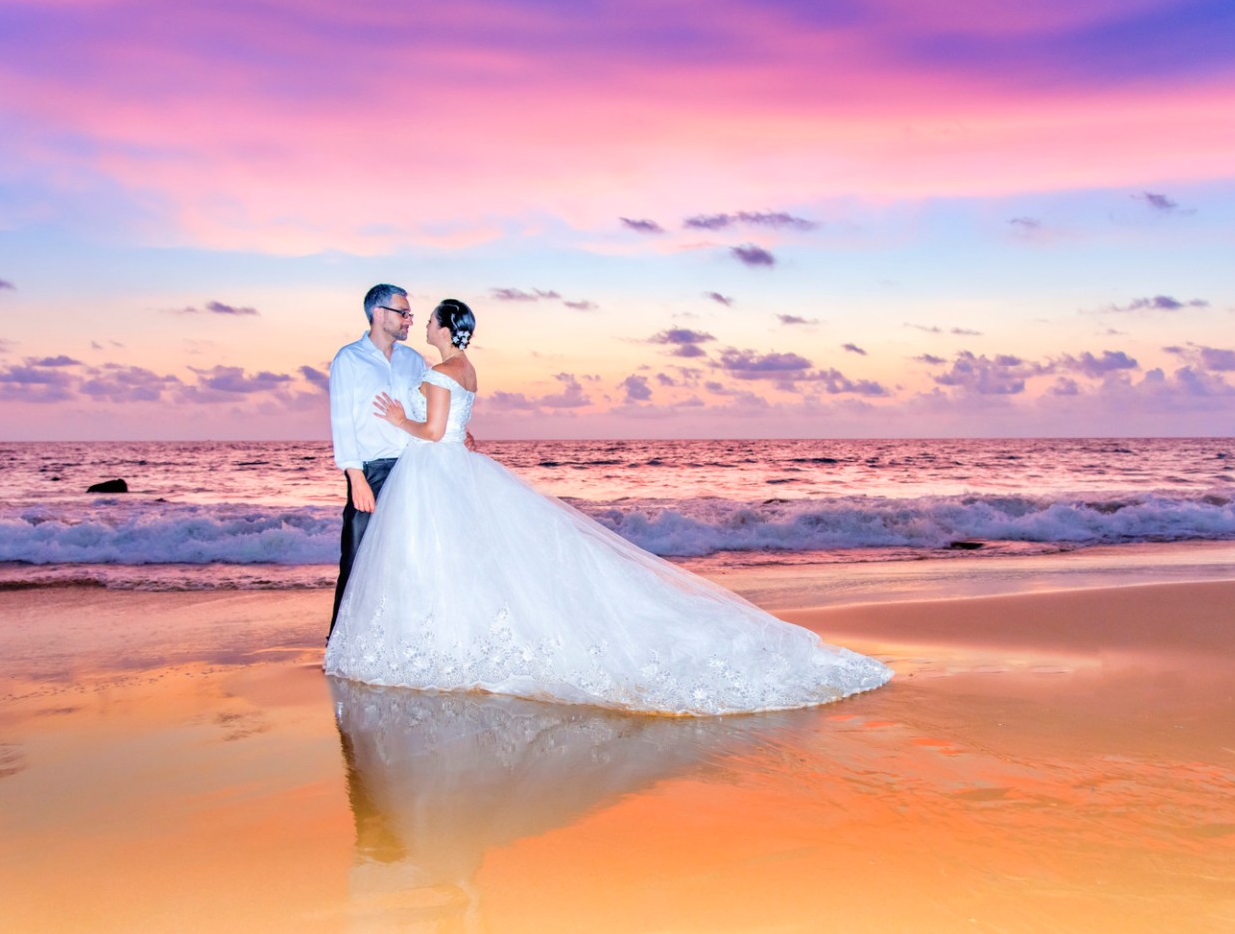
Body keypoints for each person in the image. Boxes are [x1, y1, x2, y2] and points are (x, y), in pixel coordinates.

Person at [323, 299, 892, 715]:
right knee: (462, 560)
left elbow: (436, 427)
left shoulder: (437, 369)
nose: (418, 322)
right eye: (407, 314)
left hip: (432, 467)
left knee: (442, 558)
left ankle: (424, 642)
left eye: (426, 319)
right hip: (443, 468)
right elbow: (457, 423)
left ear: (446, 329)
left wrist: (404, 422)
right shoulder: (456, 369)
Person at [327, 283, 426, 637]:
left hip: (414, 469)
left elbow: (424, 413)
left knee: (407, 560)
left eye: (410, 314)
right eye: (403, 312)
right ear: (378, 313)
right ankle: (338, 642)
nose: (409, 320)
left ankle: (398, 639)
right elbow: (342, 421)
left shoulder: (414, 360)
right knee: (356, 560)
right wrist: (356, 478)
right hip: (372, 472)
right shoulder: (349, 359)